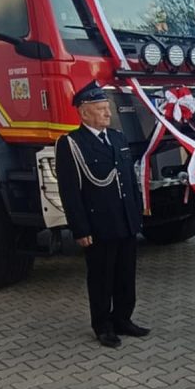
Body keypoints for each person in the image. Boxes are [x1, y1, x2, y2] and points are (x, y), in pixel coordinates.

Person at [55, 80, 149, 349]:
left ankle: (123, 319)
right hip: (99, 224)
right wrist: (80, 229)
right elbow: (70, 191)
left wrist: (138, 211)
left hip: (125, 220)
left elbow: (129, 179)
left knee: (125, 276)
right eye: (101, 109)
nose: (108, 113)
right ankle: (103, 325)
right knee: (101, 278)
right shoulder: (71, 144)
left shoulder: (117, 138)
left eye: (107, 108)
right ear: (84, 113)